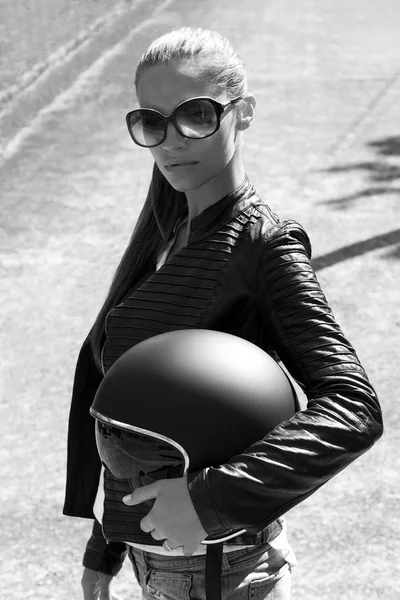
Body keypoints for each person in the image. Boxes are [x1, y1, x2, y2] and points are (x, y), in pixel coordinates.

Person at [63, 27, 383, 600]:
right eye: (152, 122)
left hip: (224, 572)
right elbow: (140, 413)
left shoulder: (262, 245)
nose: (172, 140)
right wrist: (105, 544)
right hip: (163, 565)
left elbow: (353, 407)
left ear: (244, 112)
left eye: (196, 115)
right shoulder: (163, 239)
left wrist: (208, 500)